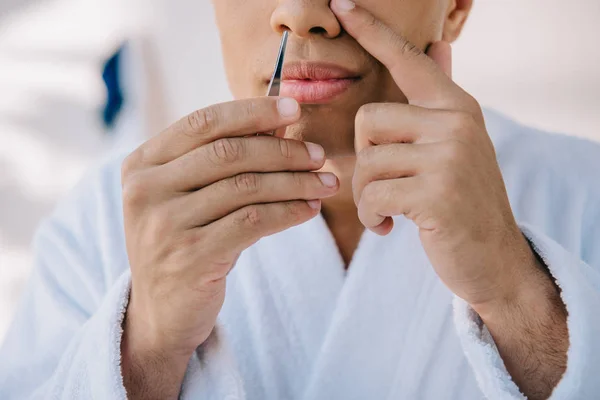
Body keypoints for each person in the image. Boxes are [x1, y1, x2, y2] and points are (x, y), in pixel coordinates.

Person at [1, 0, 599, 399]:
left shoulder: (585, 195)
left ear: (456, 6)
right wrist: (145, 348)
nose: (301, 13)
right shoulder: (105, 216)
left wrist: (522, 300)